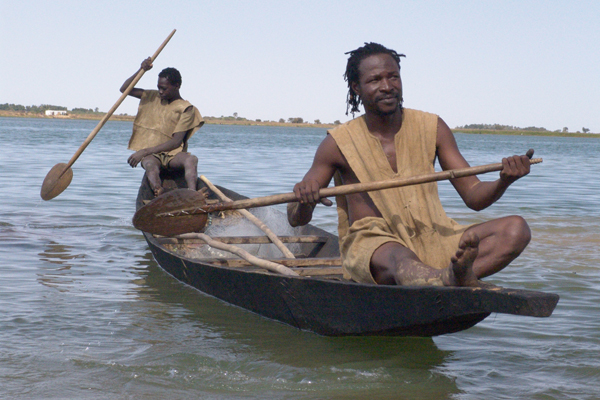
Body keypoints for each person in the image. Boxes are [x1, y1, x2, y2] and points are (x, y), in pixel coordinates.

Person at [287, 42, 533, 287]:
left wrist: (504, 180)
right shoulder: (337, 143)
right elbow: (296, 219)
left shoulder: (433, 127)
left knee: (515, 229)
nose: (387, 86)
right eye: (375, 80)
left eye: (393, 77)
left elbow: (474, 197)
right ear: (356, 88)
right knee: (398, 257)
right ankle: (448, 277)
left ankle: (448, 277)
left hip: (433, 237)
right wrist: (304, 199)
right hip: (376, 246)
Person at [121, 57, 204, 196]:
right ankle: (158, 190)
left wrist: (143, 151)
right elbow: (125, 89)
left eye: (164, 88)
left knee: (191, 159)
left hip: (174, 155)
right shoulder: (153, 97)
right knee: (149, 164)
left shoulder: (186, 108)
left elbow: (176, 141)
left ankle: (193, 194)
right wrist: (142, 70)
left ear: (177, 86)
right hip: (154, 156)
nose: (160, 91)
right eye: (158, 87)